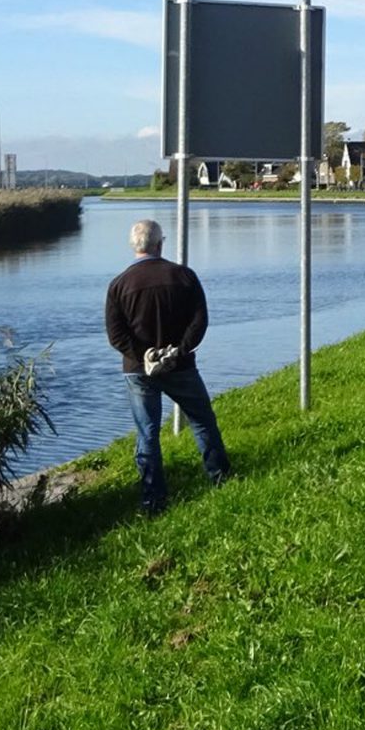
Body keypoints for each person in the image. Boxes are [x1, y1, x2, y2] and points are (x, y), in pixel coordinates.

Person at [104, 219, 233, 515]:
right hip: (181, 367)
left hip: (138, 371)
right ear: (160, 244)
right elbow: (199, 321)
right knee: (202, 421)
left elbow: (116, 335)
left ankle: (153, 500)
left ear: (134, 246)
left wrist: (144, 354)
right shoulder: (184, 276)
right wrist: (178, 351)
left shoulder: (119, 285)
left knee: (147, 433)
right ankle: (221, 479)